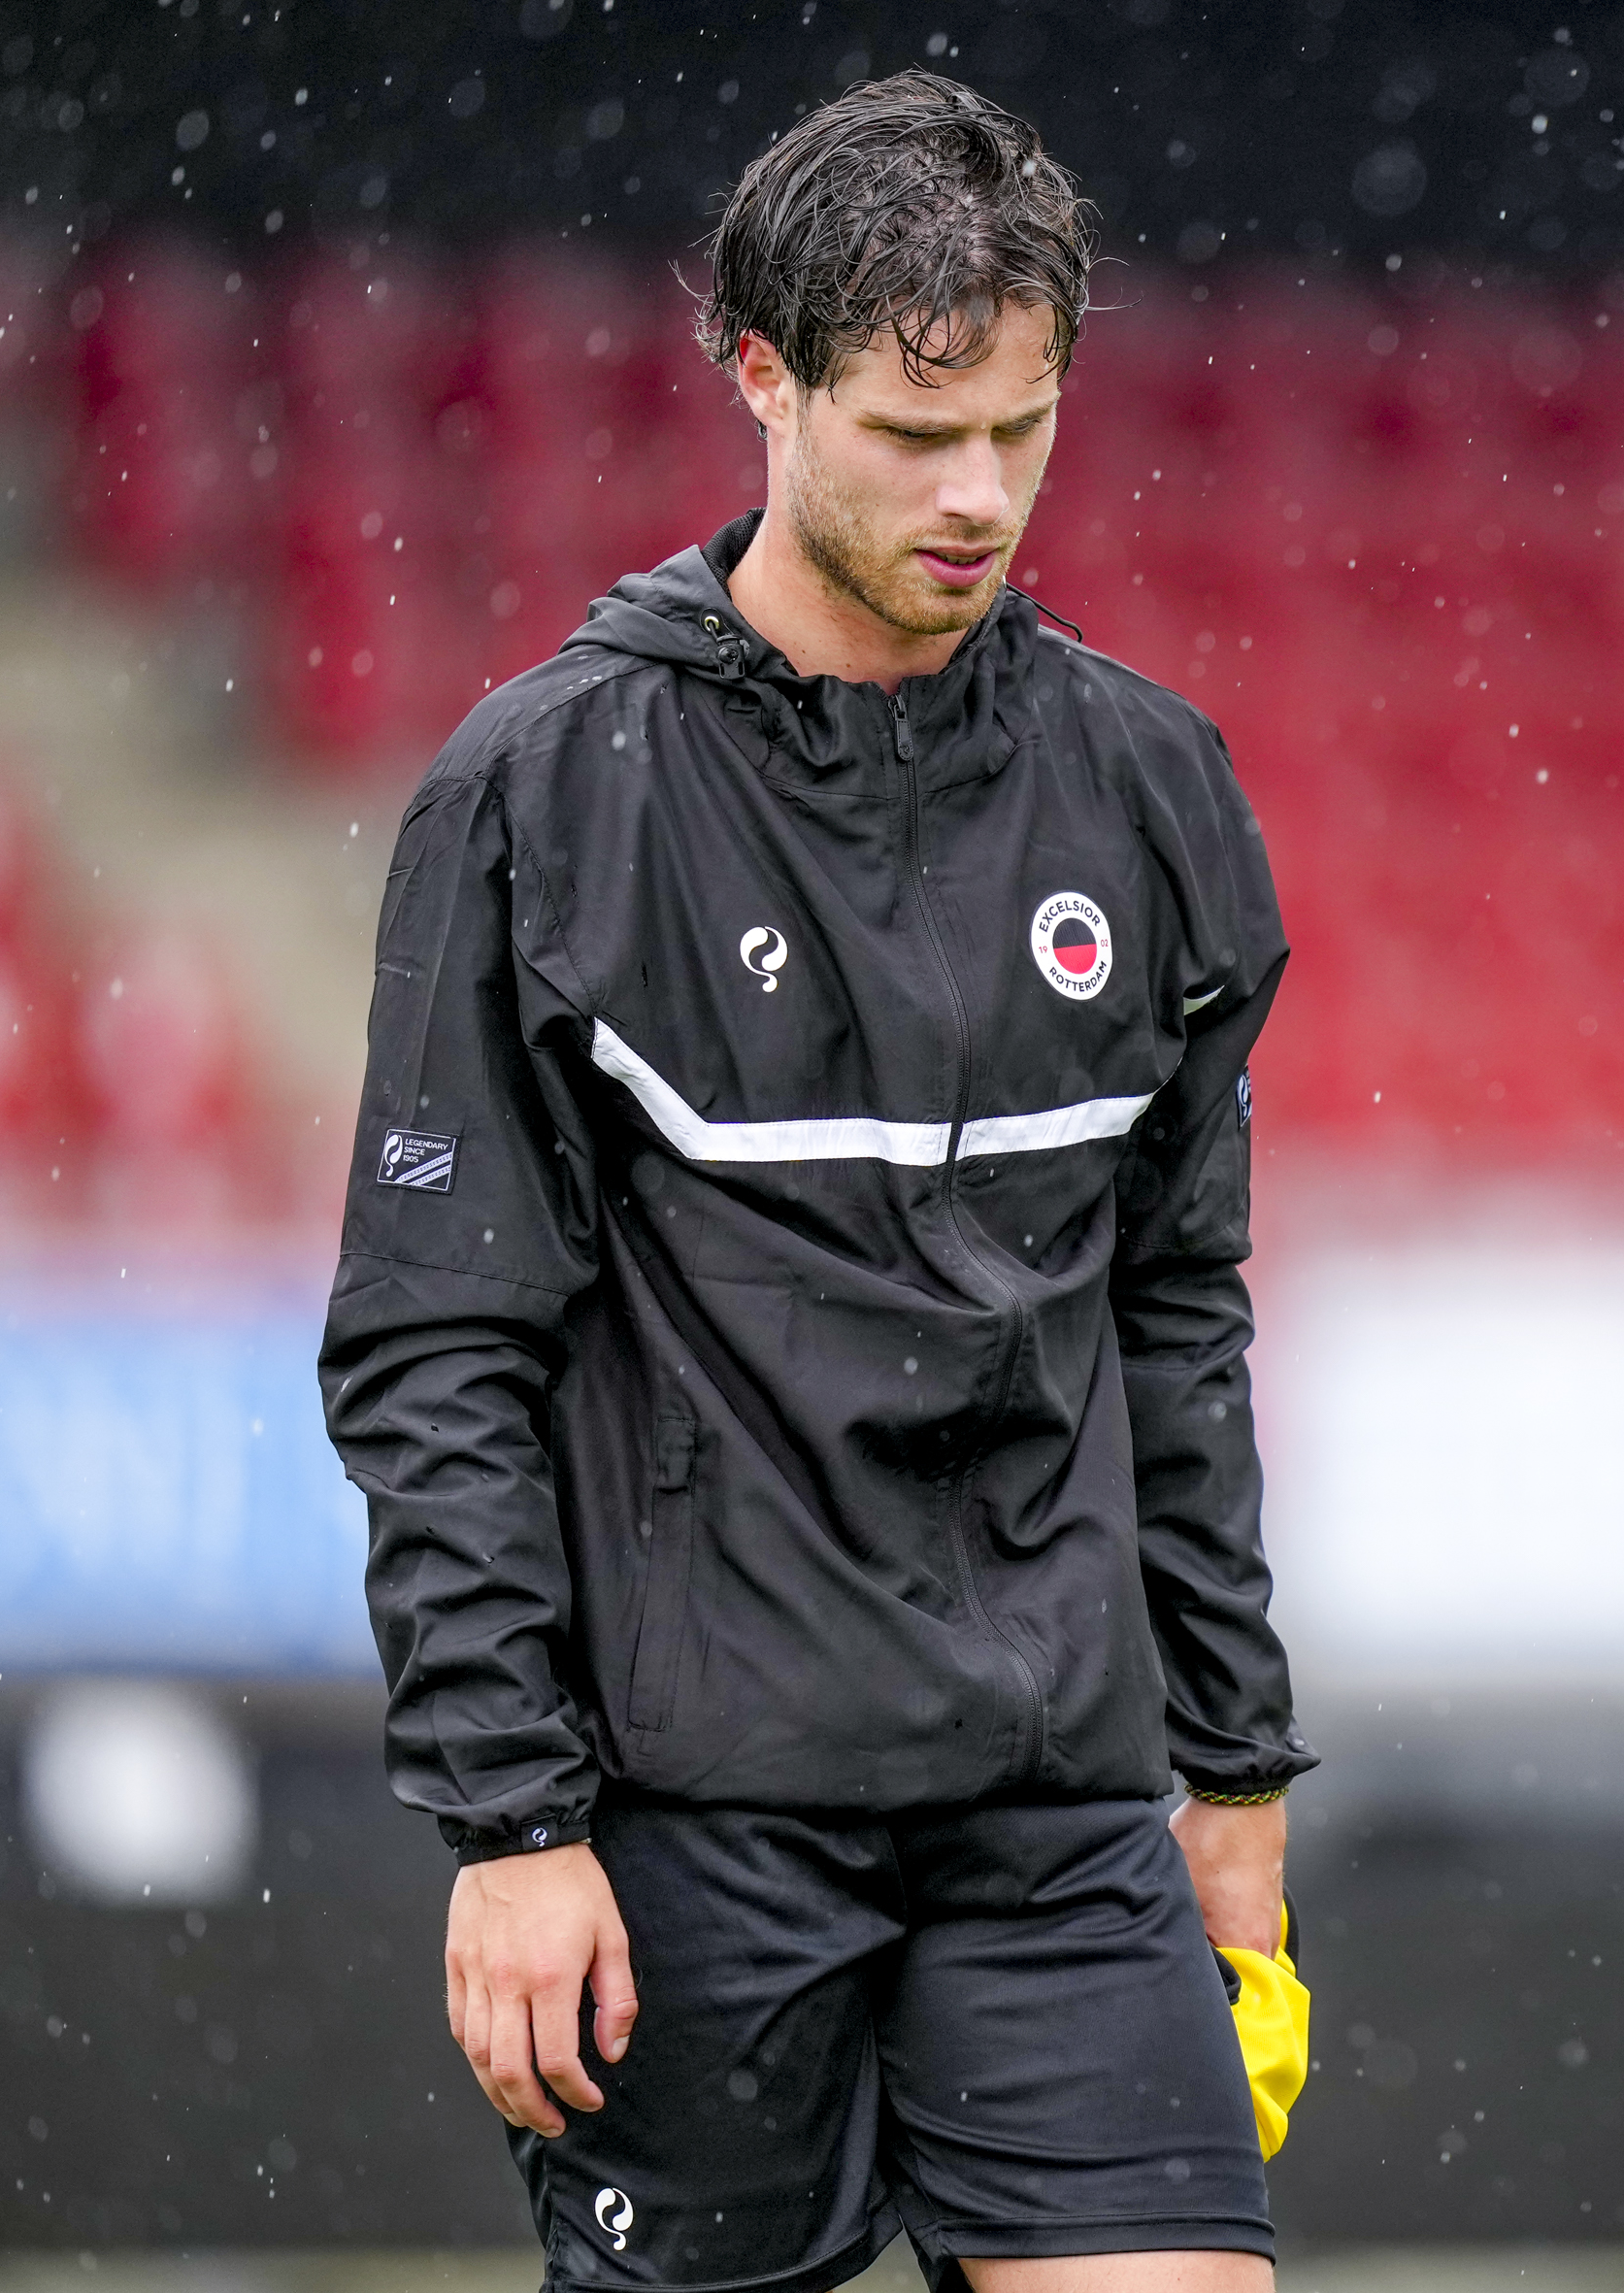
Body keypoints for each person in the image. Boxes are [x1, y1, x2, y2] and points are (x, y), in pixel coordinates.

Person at [317, 71, 1309, 2293]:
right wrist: (512, 1822)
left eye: (1022, 434)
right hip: (690, 1831)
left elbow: (1177, 1309)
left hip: (1055, 1819)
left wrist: (1232, 1777)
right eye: (910, 432)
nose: (977, 498)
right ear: (758, 382)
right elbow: (434, 1344)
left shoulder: (1150, 789)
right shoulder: (542, 793)